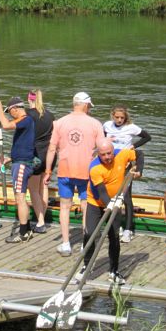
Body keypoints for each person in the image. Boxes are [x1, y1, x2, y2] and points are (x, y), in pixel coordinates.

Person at [44, 92, 104, 256]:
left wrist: (48, 171)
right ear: (85, 105)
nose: (90, 109)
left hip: (65, 170)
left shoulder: (59, 123)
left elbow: (51, 149)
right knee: (86, 207)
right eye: (89, 106)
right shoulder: (95, 124)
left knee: (65, 206)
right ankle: (85, 244)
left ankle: (65, 244)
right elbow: (103, 149)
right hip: (87, 172)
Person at [78, 139, 144, 285]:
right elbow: (101, 192)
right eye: (103, 155)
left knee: (114, 237)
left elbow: (139, 153)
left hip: (115, 201)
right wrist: (111, 205)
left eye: (109, 153)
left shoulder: (121, 154)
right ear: (98, 154)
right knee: (90, 233)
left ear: (112, 150)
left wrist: (139, 169)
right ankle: (86, 266)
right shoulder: (95, 168)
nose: (107, 157)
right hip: (95, 203)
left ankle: (114, 271)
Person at [103, 104, 152, 244]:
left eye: (122, 118)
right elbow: (101, 141)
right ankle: (115, 226)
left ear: (126, 118)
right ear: (112, 116)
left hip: (125, 166)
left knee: (126, 197)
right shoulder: (106, 126)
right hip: (109, 164)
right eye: (117, 117)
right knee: (112, 196)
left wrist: (133, 146)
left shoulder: (131, 127)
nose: (119, 120)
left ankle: (128, 230)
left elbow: (147, 137)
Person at [0, 96, 37, 243]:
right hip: (20, 162)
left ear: (15, 109)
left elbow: (5, 126)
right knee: (21, 197)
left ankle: (23, 233)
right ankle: (28, 228)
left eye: (9, 111)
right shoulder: (27, 122)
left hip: (22, 165)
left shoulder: (25, 120)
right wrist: (10, 158)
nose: (9, 114)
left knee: (20, 198)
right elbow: (24, 145)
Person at [25, 89, 54, 233]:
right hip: (49, 154)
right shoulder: (50, 115)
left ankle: (40, 222)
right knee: (44, 186)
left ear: (29, 99)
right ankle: (41, 217)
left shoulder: (28, 114)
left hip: (35, 155)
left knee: (33, 189)